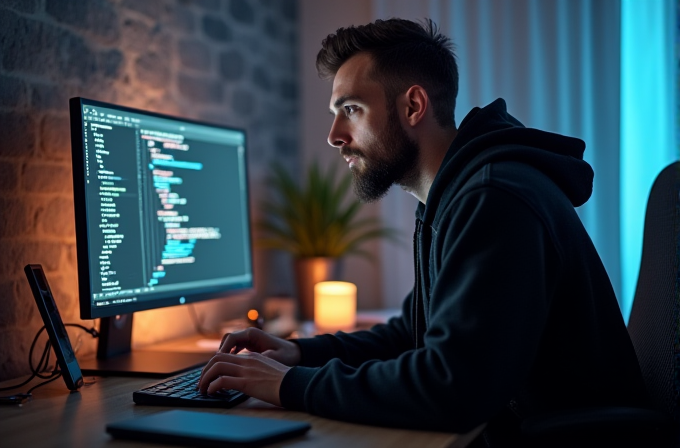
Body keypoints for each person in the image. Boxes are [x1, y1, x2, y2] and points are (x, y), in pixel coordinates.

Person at [198, 18, 648, 446]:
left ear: (413, 106)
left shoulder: (494, 198)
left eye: (351, 110)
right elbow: (411, 334)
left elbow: (452, 388)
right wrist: (298, 355)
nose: (335, 135)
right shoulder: (456, 195)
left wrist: (291, 386)